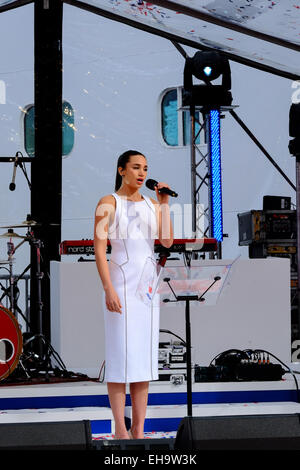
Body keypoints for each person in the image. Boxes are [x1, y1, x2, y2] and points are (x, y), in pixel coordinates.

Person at [94, 150, 173, 439]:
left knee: (142, 358)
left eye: (145, 168)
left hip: (147, 285)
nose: (141, 173)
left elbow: (166, 240)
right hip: (121, 281)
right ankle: (119, 428)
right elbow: (100, 249)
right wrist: (108, 288)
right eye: (136, 167)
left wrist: (164, 204)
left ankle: (139, 428)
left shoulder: (153, 204)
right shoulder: (108, 203)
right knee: (120, 356)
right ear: (121, 170)